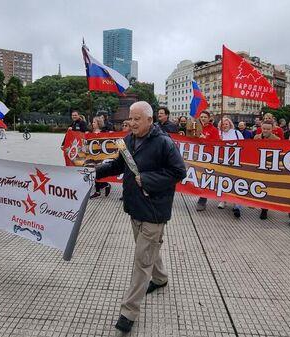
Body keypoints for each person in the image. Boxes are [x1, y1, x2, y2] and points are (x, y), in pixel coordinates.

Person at [96, 101, 186, 333]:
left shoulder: (164, 143)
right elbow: (118, 166)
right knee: (147, 250)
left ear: (149, 120)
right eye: (130, 119)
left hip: (154, 211)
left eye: (137, 119)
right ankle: (160, 278)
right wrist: (94, 171)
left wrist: (147, 180)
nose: (132, 123)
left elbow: (179, 172)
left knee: (141, 261)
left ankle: (129, 310)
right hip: (134, 207)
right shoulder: (128, 140)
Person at [216, 117, 243, 217]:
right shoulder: (218, 133)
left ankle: (236, 203)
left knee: (235, 181)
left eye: (226, 124)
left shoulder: (236, 133)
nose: (224, 126)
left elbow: (243, 145)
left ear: (230, 124)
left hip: (235, 161)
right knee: (223, 180)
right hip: (222, 161)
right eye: (223, 124)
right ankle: (223, 200)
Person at [196, 111, 222, 211]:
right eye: (201, 117)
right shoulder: (196, 127)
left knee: (205, 179)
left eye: (205, 117)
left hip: (208, 158)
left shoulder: (213, 130)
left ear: (209, 118)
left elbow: (217, 143)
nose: (202, 119)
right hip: (196, 157)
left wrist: (205, 138)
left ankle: (202, 200)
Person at [254, 121, 280, 220]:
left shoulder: (277, 139)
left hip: (270, 165)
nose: (265, 130)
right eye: (264, 128)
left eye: (268, 129)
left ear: (272, 129)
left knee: (267, 187)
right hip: (258, 164)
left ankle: (264, 209)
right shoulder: (256, 137)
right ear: (261, 128)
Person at [90, 116, 111, 198]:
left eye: (94, 122)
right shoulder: (91, 132)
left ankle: (103, 187)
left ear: (98, 123)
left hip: (101, 155)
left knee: (98, 172)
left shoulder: (104, 131)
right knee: (95, 172)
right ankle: (101, 188)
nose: (92, 123)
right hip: (93, 155)